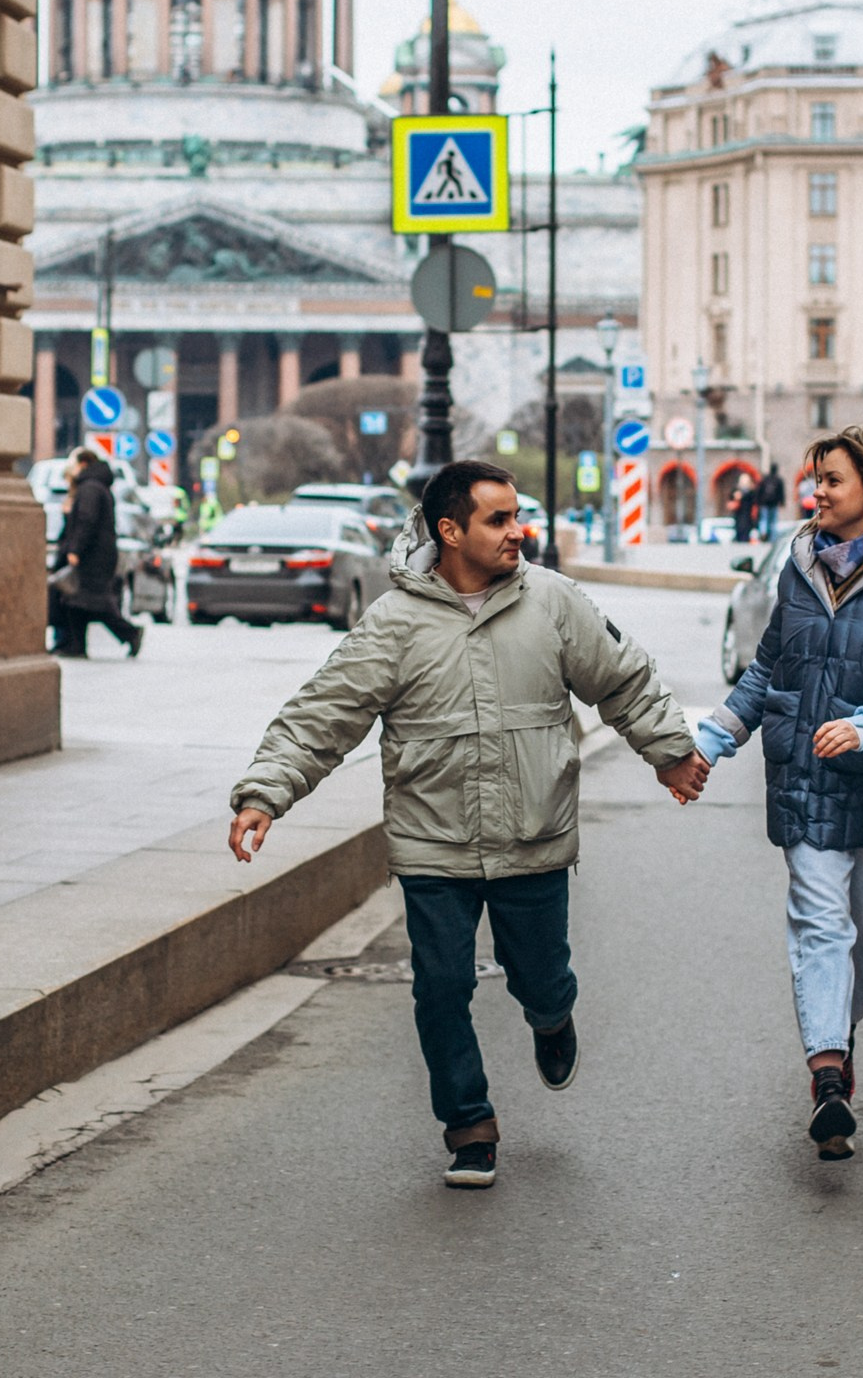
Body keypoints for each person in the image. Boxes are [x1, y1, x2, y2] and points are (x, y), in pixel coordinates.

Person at [227, 460, 708, 1189]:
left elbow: (622, 679)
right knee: (440, 986)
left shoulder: (552, 603)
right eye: (498, 519)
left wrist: (670, 754)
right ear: (450, 531)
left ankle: (552, 1017)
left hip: (534, 834)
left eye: (518, 516)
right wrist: (264, 794)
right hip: (433, 842)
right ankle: (469, 1126)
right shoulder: (394, 622)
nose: (518, 531)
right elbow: (325, 713)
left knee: (542, 979)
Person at [691, 425, 863, 1162]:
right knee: (819, 924)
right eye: (814, 480)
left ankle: (838, 1035)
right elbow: (768, 668)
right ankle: (829, 1077)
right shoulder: (799, 564)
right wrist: (711, 741)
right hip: (808, 775)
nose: (816, 494)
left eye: (831, 481)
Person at [53, 454, 143, 658]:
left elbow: (86, 520)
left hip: (92, 556)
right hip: (98, 554)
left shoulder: (90, 488)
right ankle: (77, 646)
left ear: (83, 465)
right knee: (77, 602)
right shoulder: (97, 486)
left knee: (95, 603)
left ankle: (130, 633)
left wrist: (75, 549)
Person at [756, 463, 786, 542]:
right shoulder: (779, 480)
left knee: (764, 520)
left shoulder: (765, 479)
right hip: (774, 503)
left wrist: (758, 502)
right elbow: (781, 493)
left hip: (764, 503)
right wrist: (782, 502)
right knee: (773, 521)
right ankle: (772, 538)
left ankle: (763, 534)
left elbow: (759, 490)